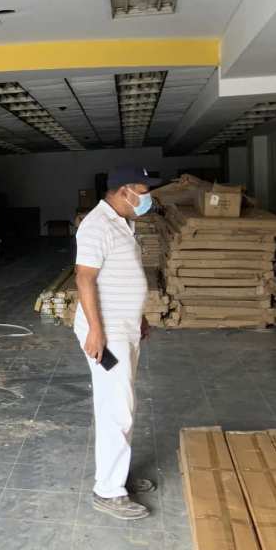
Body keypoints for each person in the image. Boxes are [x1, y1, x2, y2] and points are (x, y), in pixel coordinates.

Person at [74, 166, 159, 520]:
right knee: (115, 408)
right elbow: (84, 278)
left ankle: (118, 475)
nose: (147, 197)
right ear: (124, 191)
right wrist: (96, 330)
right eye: (142, 190)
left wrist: (138, 316)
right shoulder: (96, 225)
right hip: (106, 334)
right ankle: (107, 491)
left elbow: (122, 276)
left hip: (124, 328)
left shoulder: (122, 223)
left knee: (123, 404)